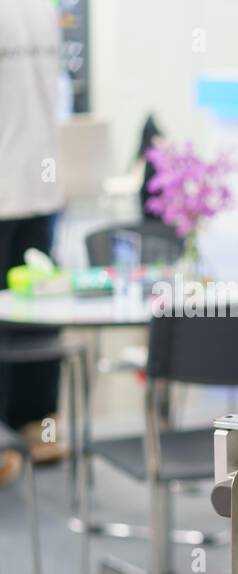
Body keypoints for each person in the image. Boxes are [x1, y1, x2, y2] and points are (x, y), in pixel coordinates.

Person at [0, 0, 66, 487]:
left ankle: (13, 439)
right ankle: (37, 430)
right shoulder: (43, 10)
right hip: (40, 186)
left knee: (29, 319)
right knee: (35, 316)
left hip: (23, 186)